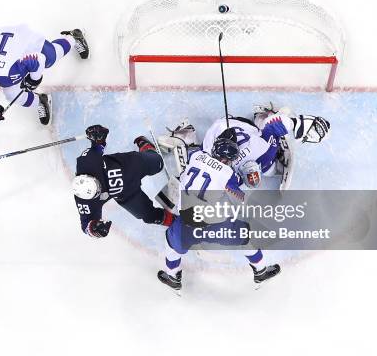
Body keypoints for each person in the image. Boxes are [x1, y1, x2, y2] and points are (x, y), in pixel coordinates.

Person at [157, 136, 281, 291]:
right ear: (228, 160)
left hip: (187, 220)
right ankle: (260, 271)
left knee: (172, 244)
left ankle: (172, 276)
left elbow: (193, 160)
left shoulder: (196, 155)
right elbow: (239, 194)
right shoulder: (228, 173)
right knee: (246, 236)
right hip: (213, 222)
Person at [0, 24, 89, 125]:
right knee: (12, 95)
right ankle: (42, 101)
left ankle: (74, 37)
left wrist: (34, 80)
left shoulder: (8, 73)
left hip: (23, 39)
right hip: (2, 41)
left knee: (50, 58)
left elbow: (38, 59)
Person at [71, 125, 174, 238]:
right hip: (127, 195)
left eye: (97, 185)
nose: (100, 189)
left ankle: (146, 148)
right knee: (149, 216)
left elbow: (99, 143)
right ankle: (175, 222)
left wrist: (98, 134)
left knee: (159, 163)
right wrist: (94, 229)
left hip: (130, 165)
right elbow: (86, 226)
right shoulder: (84, 202)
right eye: (97, 193)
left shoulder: (87, 162)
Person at [201, 104, 331, 189]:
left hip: (232, 125)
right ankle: (261, 116)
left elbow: (275, 124)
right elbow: (274, 125)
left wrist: (300, 124)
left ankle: (262, 116)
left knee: (268, 165)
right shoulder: (261, 150)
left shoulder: (261, 150)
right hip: (231, 124)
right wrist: (299, 124)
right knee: (268, 166)